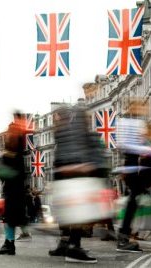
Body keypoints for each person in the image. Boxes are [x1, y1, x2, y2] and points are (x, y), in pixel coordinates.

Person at [48, 104, 105, 263]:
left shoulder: (67, 131)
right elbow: (69, 156)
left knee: (76, 216)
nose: (55, 120)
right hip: (73, 179)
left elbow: (67, 156)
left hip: (71, 178)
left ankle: (71, 245)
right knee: (77, 216)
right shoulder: (68, 132)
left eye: (57, 117)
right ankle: (72, 247)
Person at [114, 100, 151, 253]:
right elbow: (124, 145)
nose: (144, 109)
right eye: (142, 106)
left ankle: (127, 234)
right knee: (133, 202)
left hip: (138, 167)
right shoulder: (125, 122)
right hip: (132, 168)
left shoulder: (138, 122)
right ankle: (124, 236)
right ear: (134, 107)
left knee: (136, 201)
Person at [0, 112, 28, 256]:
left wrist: (3, 166)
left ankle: (9, 244)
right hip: (15, 186)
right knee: (13, 216)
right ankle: (10, 242)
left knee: (10, 217)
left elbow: (9, 170)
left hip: (13, 186)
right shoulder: (16, 146)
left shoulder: (13, 147)